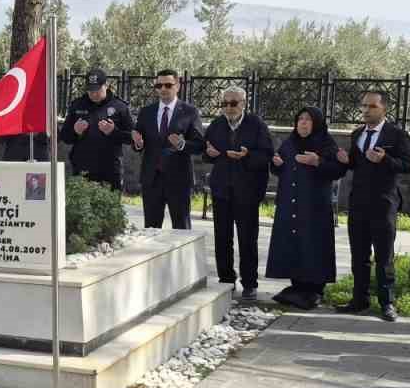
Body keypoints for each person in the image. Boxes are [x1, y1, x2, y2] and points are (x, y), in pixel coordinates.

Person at [336, 89, 410, 321]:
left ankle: (387, 302)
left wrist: (385, 159)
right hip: (358, 202)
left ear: (384, 109)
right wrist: (346, 161)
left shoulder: (396, 134)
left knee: (384, 256)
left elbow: (407, 166)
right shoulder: (357, 134)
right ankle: (359, 300)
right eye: (363, 106)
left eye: (371, 107)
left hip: (383, 203)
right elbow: (357, 165)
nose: (365, 111)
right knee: (358, 254)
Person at [266, 106, 345, 309]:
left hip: (314, 206)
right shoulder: (290, 142)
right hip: (290, 202)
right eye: (300, 118)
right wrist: (276, 163)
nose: (302, 122)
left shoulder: (326, 144)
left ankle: (314, 288)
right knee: (293, 242)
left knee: (313, 243)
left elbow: (338, 170)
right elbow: (280, 168)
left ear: (316, 123)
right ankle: (297, 285)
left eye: (307, 119)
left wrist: (317, 161)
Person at [201, 86, 274, 300]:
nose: (229, 108)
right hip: (222, 189)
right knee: (222, 237)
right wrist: (210, 153)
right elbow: (207, 153)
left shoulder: (256, 125)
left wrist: (247, 155)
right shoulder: (216, 125)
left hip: (248, 191)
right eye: (225, 103)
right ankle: (226, 281)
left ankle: (250, 283)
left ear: (243, 103)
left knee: (247, 239)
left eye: (233, 103)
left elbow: (267, 154)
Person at [130, 69, 202, 228]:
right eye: (159, 85)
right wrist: (138, 143)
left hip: (179, 180)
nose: (163, 89)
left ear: (178, 86)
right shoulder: (146, 112)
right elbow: (137, 143)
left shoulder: (190, 112)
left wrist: (182, 145)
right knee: (151, 229)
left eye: (168, 85)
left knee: (181, 228)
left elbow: (199, 146)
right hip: (152, 179)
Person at [60, 70, 133, 191]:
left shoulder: (119, 106)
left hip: (110, 170)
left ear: (106, 85)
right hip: (83, 169)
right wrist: (76, 132)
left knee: (110, 208)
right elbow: (65, 137)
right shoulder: (78, 105)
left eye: (97, 89)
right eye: (90, 90)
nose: (93, 94)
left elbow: (131, 138)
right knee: (83, 209)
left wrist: (113, 132)